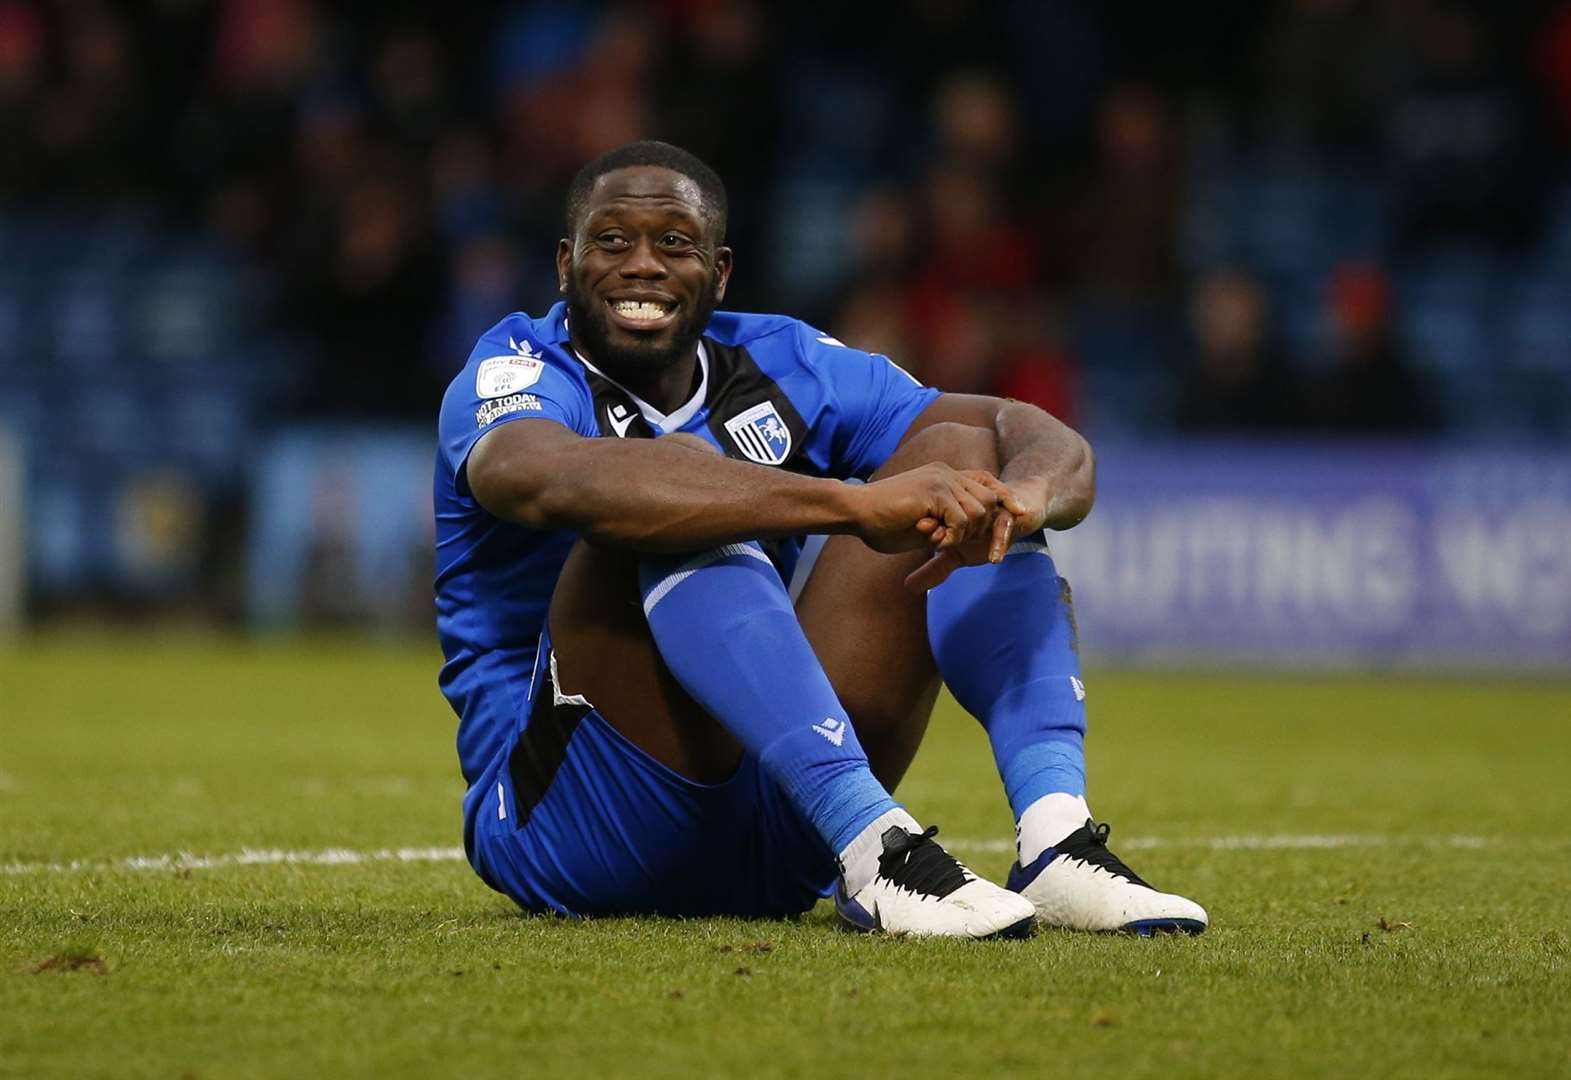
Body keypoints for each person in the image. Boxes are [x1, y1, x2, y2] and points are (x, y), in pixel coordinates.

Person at [433, 141, 1206, 938]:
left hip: (776, 825)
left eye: (673, 244)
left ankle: (1056, 838)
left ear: (719, 271)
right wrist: (848, 505)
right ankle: (876, 847)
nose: (642, 266)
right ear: (564, 264)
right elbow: (534, 476)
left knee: (958, 459)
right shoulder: (516, 366)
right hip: (571, 822)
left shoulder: (781, 358)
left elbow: (1020, 428)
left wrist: (1027, 496)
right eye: (611, 241)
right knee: (676, 480)